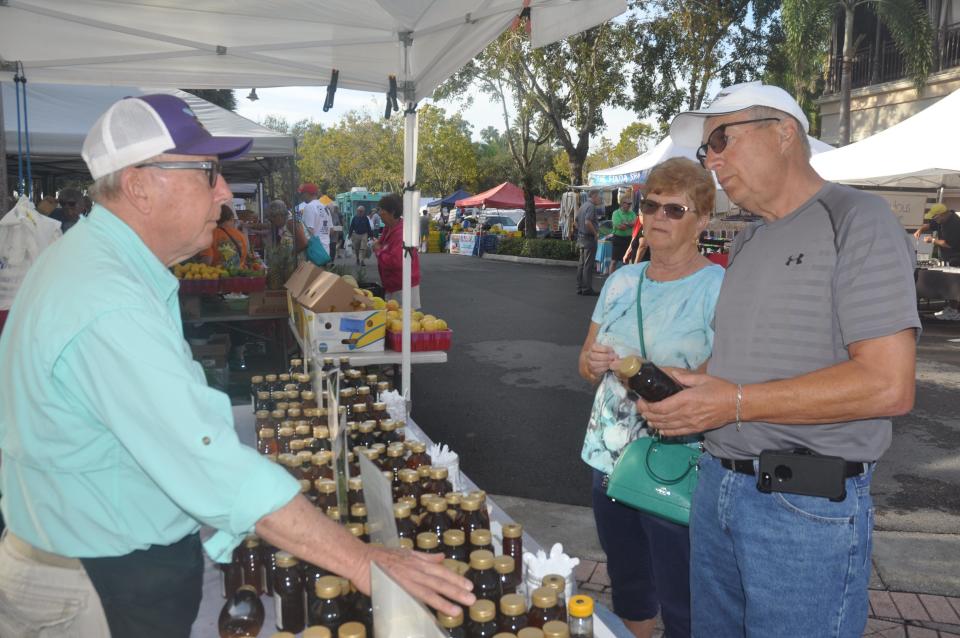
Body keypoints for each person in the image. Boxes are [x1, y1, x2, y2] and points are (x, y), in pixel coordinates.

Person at [0, 94, 474, 638]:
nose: (225, 192)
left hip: (99, 559)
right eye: (209, 173)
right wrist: (363, 561)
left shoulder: (97, 266)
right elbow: (209, 466)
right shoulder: (106, 298)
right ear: (138, 185)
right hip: (94, 583)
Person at [639, 83, 919, 638]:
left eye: (722, 138)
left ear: (784, 131)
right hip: (717, 488)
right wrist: (696, 387)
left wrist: (733, 402)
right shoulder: (747, 242)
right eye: (705, 149)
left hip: (802, 509)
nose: (711, 159)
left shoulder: (858, 218)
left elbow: (889, 385)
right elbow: (739, 368)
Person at [578, 158, 722, 638]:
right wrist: (595, 364)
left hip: (676, 460)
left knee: (681, 588)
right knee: (630, 581)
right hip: (609, 457)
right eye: (651, 204)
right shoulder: (622, 281)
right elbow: (584, 363)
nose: (658, 216)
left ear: (703, 219)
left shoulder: (718, 289)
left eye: (675, 209)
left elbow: (721, 377)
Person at [374, 193, 422, 309]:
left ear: (392, 212)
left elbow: (395, 262)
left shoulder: (402, 233)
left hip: (402, 287)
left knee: (403, 321)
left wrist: (378, 251)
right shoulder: (389, 227)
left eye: (382, 210)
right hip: (393, 285)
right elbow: (381, 243)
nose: (380, 214)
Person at [914, 203, 960, 320]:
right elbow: (929, 225)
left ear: (942, 215)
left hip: (956, 257)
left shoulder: (955, 224)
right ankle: (951, 307)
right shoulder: (940, 220)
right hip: (948, 257)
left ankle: (954, 310)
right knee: (949, 284)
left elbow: (948, 244)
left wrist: (932, 240)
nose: (934, 219)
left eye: (935, 217)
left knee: (955, 285)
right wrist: (920, 230)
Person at [201, 204, 249, 270]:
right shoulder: (240, 235)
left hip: (217, 276)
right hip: (238, 275)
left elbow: (207, 261)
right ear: (231, 218)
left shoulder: (209, 235)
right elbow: (246, 254)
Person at [576, 190, 602, 295]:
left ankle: (580, 287)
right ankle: (586, 289)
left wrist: (581, 231)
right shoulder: (591, 207)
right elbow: (587, 222)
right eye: (599, 197)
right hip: (589, 239)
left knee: (582, 264)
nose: (600, 199)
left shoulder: (583, 206)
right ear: (594, 196)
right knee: (588, 265)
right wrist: (595, 233)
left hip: (581, 237)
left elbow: (576, 221)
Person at [299, 182, 333, 255]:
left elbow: (309, 232)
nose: (301, 196)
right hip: (326, 250)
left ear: (307, 194)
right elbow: (331, 230)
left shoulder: (309, 207)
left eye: (302, 194)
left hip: (315, 251)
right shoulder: (325, 208)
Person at [609, 192, 637, 272]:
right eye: (627, 203)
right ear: (622, 203)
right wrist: (630, 224)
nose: (629, 205)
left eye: (630, 204)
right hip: (618, 239)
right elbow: (621, 227)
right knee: (614, 261)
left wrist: (626, 223)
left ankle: (624, 279)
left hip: (628, 239)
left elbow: (635, 224)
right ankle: (610, 279)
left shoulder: (632, 213)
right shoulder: (616, 213)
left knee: (626, 261)